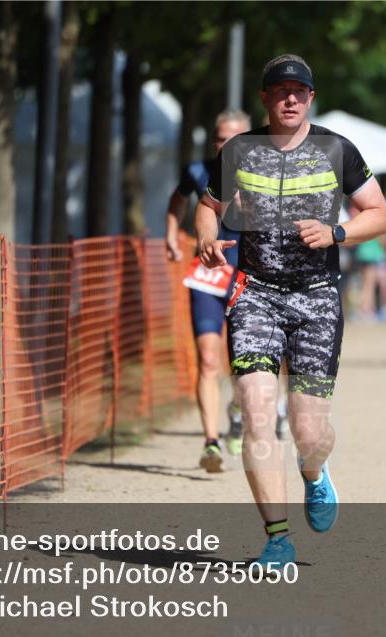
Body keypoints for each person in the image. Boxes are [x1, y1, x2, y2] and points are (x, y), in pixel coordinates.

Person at [195, 54, 386, 567]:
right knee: (258, 413)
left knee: (308, 430)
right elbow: (208, 205)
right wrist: (207, 237)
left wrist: (337, 232)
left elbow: (380, 214)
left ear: (311, 97)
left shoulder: (336, 149)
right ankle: (277, 537)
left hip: (317, 296)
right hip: (255, 292)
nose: (289, 99)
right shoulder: (239, 150)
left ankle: (314, 470)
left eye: (298, 91)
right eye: (280, 90)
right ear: (265, 98)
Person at [165, 109, 252, 472]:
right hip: (208, 276)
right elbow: (178, 201)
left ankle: (237, 409)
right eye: (219, 138)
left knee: (244, 365)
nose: (225, 144)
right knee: (208, 359)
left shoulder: (263, 175)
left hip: (248, 276)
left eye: (234, 138)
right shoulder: (197, 171)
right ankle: (211, 443)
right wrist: (172, 234)